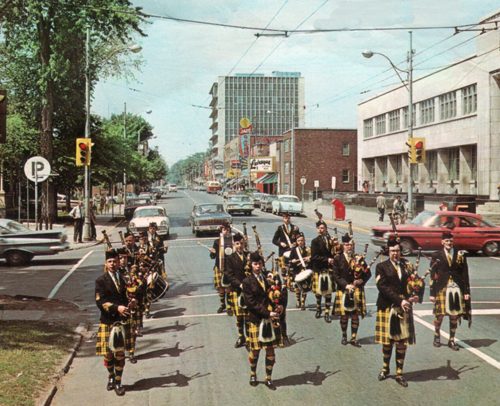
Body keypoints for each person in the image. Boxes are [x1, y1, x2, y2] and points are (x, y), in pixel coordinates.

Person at [375, 239, 419, 387]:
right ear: (388, 251)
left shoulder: (407, 265)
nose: (395, 253)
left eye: (398, 251)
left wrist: (416, 294)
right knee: (388, 342)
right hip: (388, 307)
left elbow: (416, 281)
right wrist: (400, 300)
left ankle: (399, 373)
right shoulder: (381, 267)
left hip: (404, 308)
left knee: (401, 342)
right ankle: (385, 368)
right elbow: (383, 287)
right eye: (393, 251)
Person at [242, 252, 282, 390]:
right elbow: (251, 303)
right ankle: (253, 374)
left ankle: (268, 378)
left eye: (259, 264)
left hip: (268, 319)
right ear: (251, 265)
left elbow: (270, 296)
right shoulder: (247, 282)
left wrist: (278, 305)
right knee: (255, 350)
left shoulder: (266, 279)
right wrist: (267, 312)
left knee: (270, 350)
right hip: (256, 319)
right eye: (255, 264)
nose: (258, 266)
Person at [95, 249, 130, 396]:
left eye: (115, 261)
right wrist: (117, 308)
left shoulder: (123, 278)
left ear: (118, 262)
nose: (113, 264)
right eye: (110, 261)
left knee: (120, 353)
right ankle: (110, 376)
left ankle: (118, 381)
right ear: (106, 263)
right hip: (107, 320)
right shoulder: (100, 281)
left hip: (121, 321)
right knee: (108, 354)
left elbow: (125, 297)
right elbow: (100, 301)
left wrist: (131, 303)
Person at [429, 232, 470, 351]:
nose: (449, 243)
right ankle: (437, 335)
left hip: (456, 288)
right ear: (442, 242)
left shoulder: (460, 254)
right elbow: (433, 275)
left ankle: (451, 340)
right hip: (442, 288)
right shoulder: (436, 255)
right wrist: (432, 293)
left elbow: (464, 273)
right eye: (447, 241)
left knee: (454, 315)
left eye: (451, 241)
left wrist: (466, 291)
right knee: (439, 315)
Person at [333, 233, 371, 347]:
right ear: (343, 246)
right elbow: (336, 276)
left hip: (357, 290)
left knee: (355, 315)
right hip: (343, 289)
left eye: (350, 245)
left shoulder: (359, 258)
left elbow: (368, 273)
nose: (349, 247)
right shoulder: (337, 258)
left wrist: (361, 281)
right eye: (346, 245)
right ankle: (344, 335)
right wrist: (346, 285)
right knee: (344, 315)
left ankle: (354, 337)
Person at [224, 233, 249, 348]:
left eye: (242, 243)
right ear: (234, 244)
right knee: (239, 316)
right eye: (237, 244)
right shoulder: (230, 258)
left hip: (249, 291)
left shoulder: (249, 255)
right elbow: (229, 275)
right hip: (237, 289)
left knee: (248, 315)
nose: (240, 246)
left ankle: (249, 338)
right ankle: (241, 336)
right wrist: (240, 285)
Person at [310, 221, 335, 323]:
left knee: (328, 292)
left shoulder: (330, 240)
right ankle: (318, 308)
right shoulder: (314, 241)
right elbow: (314, 257)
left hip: (329, 269)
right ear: (317, 229)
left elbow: (335, 253)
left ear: (326, 229)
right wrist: (327, 259)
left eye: (323, 228)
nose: (321, 230)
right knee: (318, 293)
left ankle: (327, 312)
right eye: (319, 228)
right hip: (319, 269)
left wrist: (335, 248)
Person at [209, 221, 233, 314]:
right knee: (220, 287)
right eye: (224, 230)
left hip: (229, 268)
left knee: (229, 288)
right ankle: (223, 305)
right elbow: (212, 257)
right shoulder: (217, 241)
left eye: (227, 230)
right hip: (219, 267)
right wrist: (212, 252)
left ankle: (230, 306)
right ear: (221, 231)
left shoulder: (232, 241)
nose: (226, 231)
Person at [288, 232, 311, 310]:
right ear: (296, 242)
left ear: (304, 240)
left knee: (305, 286)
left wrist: (309, 259)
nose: (300, 242)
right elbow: (290, 260)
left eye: (302, 240)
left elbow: (312, 259)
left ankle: (303, 302)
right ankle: (298, 301)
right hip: (297, 270)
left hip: (305, 270)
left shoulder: (308, 249)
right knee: (297, 287)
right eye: (298, 241)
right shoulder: (294, 250)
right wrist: (292, 261)